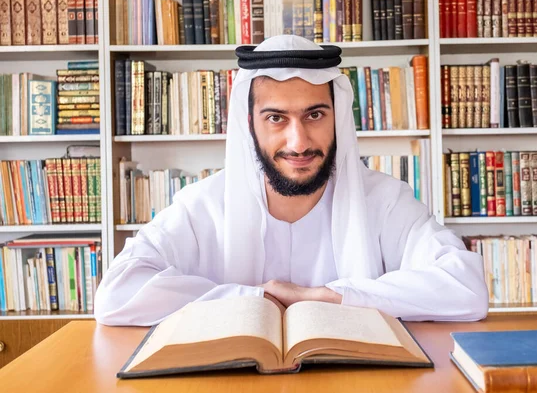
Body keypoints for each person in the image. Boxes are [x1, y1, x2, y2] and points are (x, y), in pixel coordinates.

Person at [94, 35, 488, 326]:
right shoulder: (203, 206)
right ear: (250, 124)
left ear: (338, 119)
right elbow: (117, 293)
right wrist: (255, 298)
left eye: (315, 115)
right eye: (276, 118)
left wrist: (325, 298)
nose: (298, 142)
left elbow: (466, 288)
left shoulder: (385, 201)